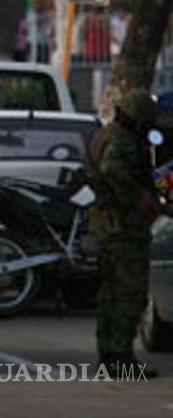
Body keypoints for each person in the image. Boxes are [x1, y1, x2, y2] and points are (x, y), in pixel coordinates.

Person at [88, 89, 163, 378]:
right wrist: (139, 197)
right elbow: (113, 169)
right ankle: (120, 359)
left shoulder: (107, 134)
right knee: (128, 294)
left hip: (109, 225)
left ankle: (110, 356)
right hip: (123, 227)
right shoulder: (122, 140)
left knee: (111, 295)